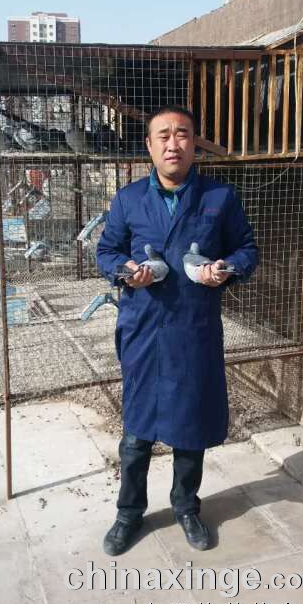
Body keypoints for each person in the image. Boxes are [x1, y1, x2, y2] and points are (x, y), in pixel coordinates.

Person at [96, 105, 258, 555]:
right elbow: (106, 251)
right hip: (143, 329)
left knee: (191, 424)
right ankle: (129, 512)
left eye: (182, 134)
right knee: (137, 429)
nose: (173, 144)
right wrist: (126, 270)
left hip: (194, 329)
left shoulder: (219, 198)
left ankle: (186, 507)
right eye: (163, 136)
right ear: (149, 145)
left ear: (194, 143)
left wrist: (225, 269)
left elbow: (246, 249)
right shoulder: (128, 199)